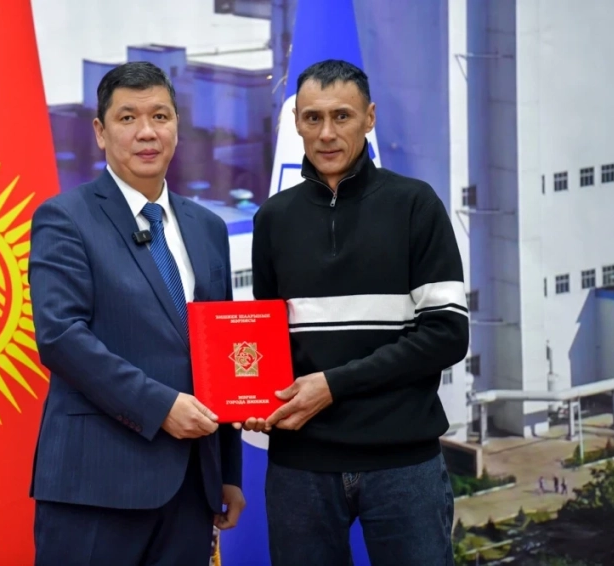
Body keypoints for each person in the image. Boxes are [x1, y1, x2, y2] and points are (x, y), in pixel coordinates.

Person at [241, 59, 470, 565]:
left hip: (402, 462)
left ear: (369, 118)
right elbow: (269, 341)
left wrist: (333, 385)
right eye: (312, 118)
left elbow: (447, 335)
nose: (326, 133)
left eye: (341, 116)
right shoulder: (273, 219)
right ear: (296, 122)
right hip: (300, 467)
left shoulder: (415, 205)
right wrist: (253, 397)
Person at [28, 61, 244, 566]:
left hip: (191, 488)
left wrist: (228, 471)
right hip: (96, 486)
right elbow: (60, 336)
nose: (147, 132)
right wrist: (161, 406)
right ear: (100, 132)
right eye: (128, 118)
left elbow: (218, 351)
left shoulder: (208, 227)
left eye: (160, 116)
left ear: (177, 127)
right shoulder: (65, 218)